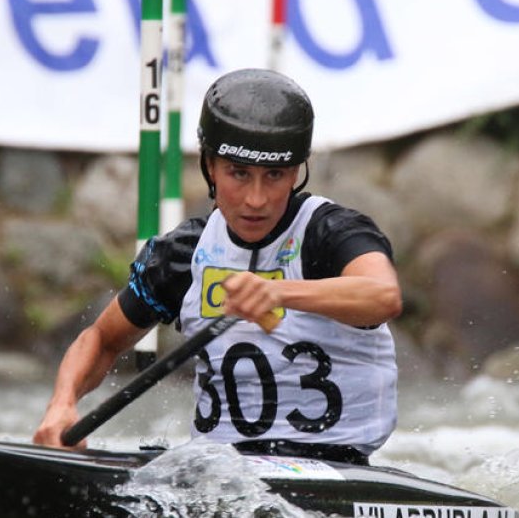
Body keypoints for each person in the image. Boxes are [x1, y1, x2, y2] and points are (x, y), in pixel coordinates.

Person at [33, 68, 401, 464]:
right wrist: (62, 404)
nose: (256, 199)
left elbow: (383, 295)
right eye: (239, 174)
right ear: (210, 167)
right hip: (220, 477)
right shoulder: (184, 253)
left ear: (296, 172)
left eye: (274, 176)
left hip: (334, 468)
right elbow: (102, 340)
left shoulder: (330, 233)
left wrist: (277, 291)